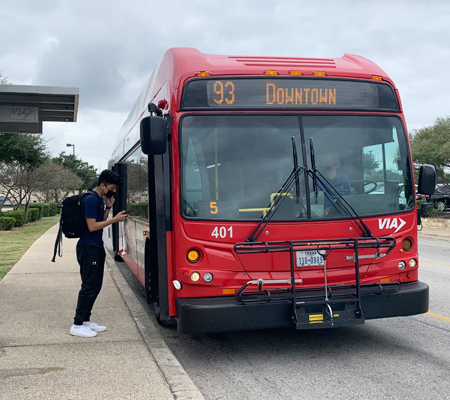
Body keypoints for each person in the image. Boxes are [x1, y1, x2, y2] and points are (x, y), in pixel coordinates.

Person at [70, 169, 129, 338]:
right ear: (102, 185)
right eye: (112, 187)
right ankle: (77, 324)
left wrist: (109, 208)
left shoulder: (99, 199)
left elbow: (100, 220)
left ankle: (86, 321)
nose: (114, 191)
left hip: (95, 246)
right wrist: (115, 220)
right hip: (88, 248)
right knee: (89, 287)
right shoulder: (90, 200)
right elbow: (92, 226)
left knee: (95, 286)